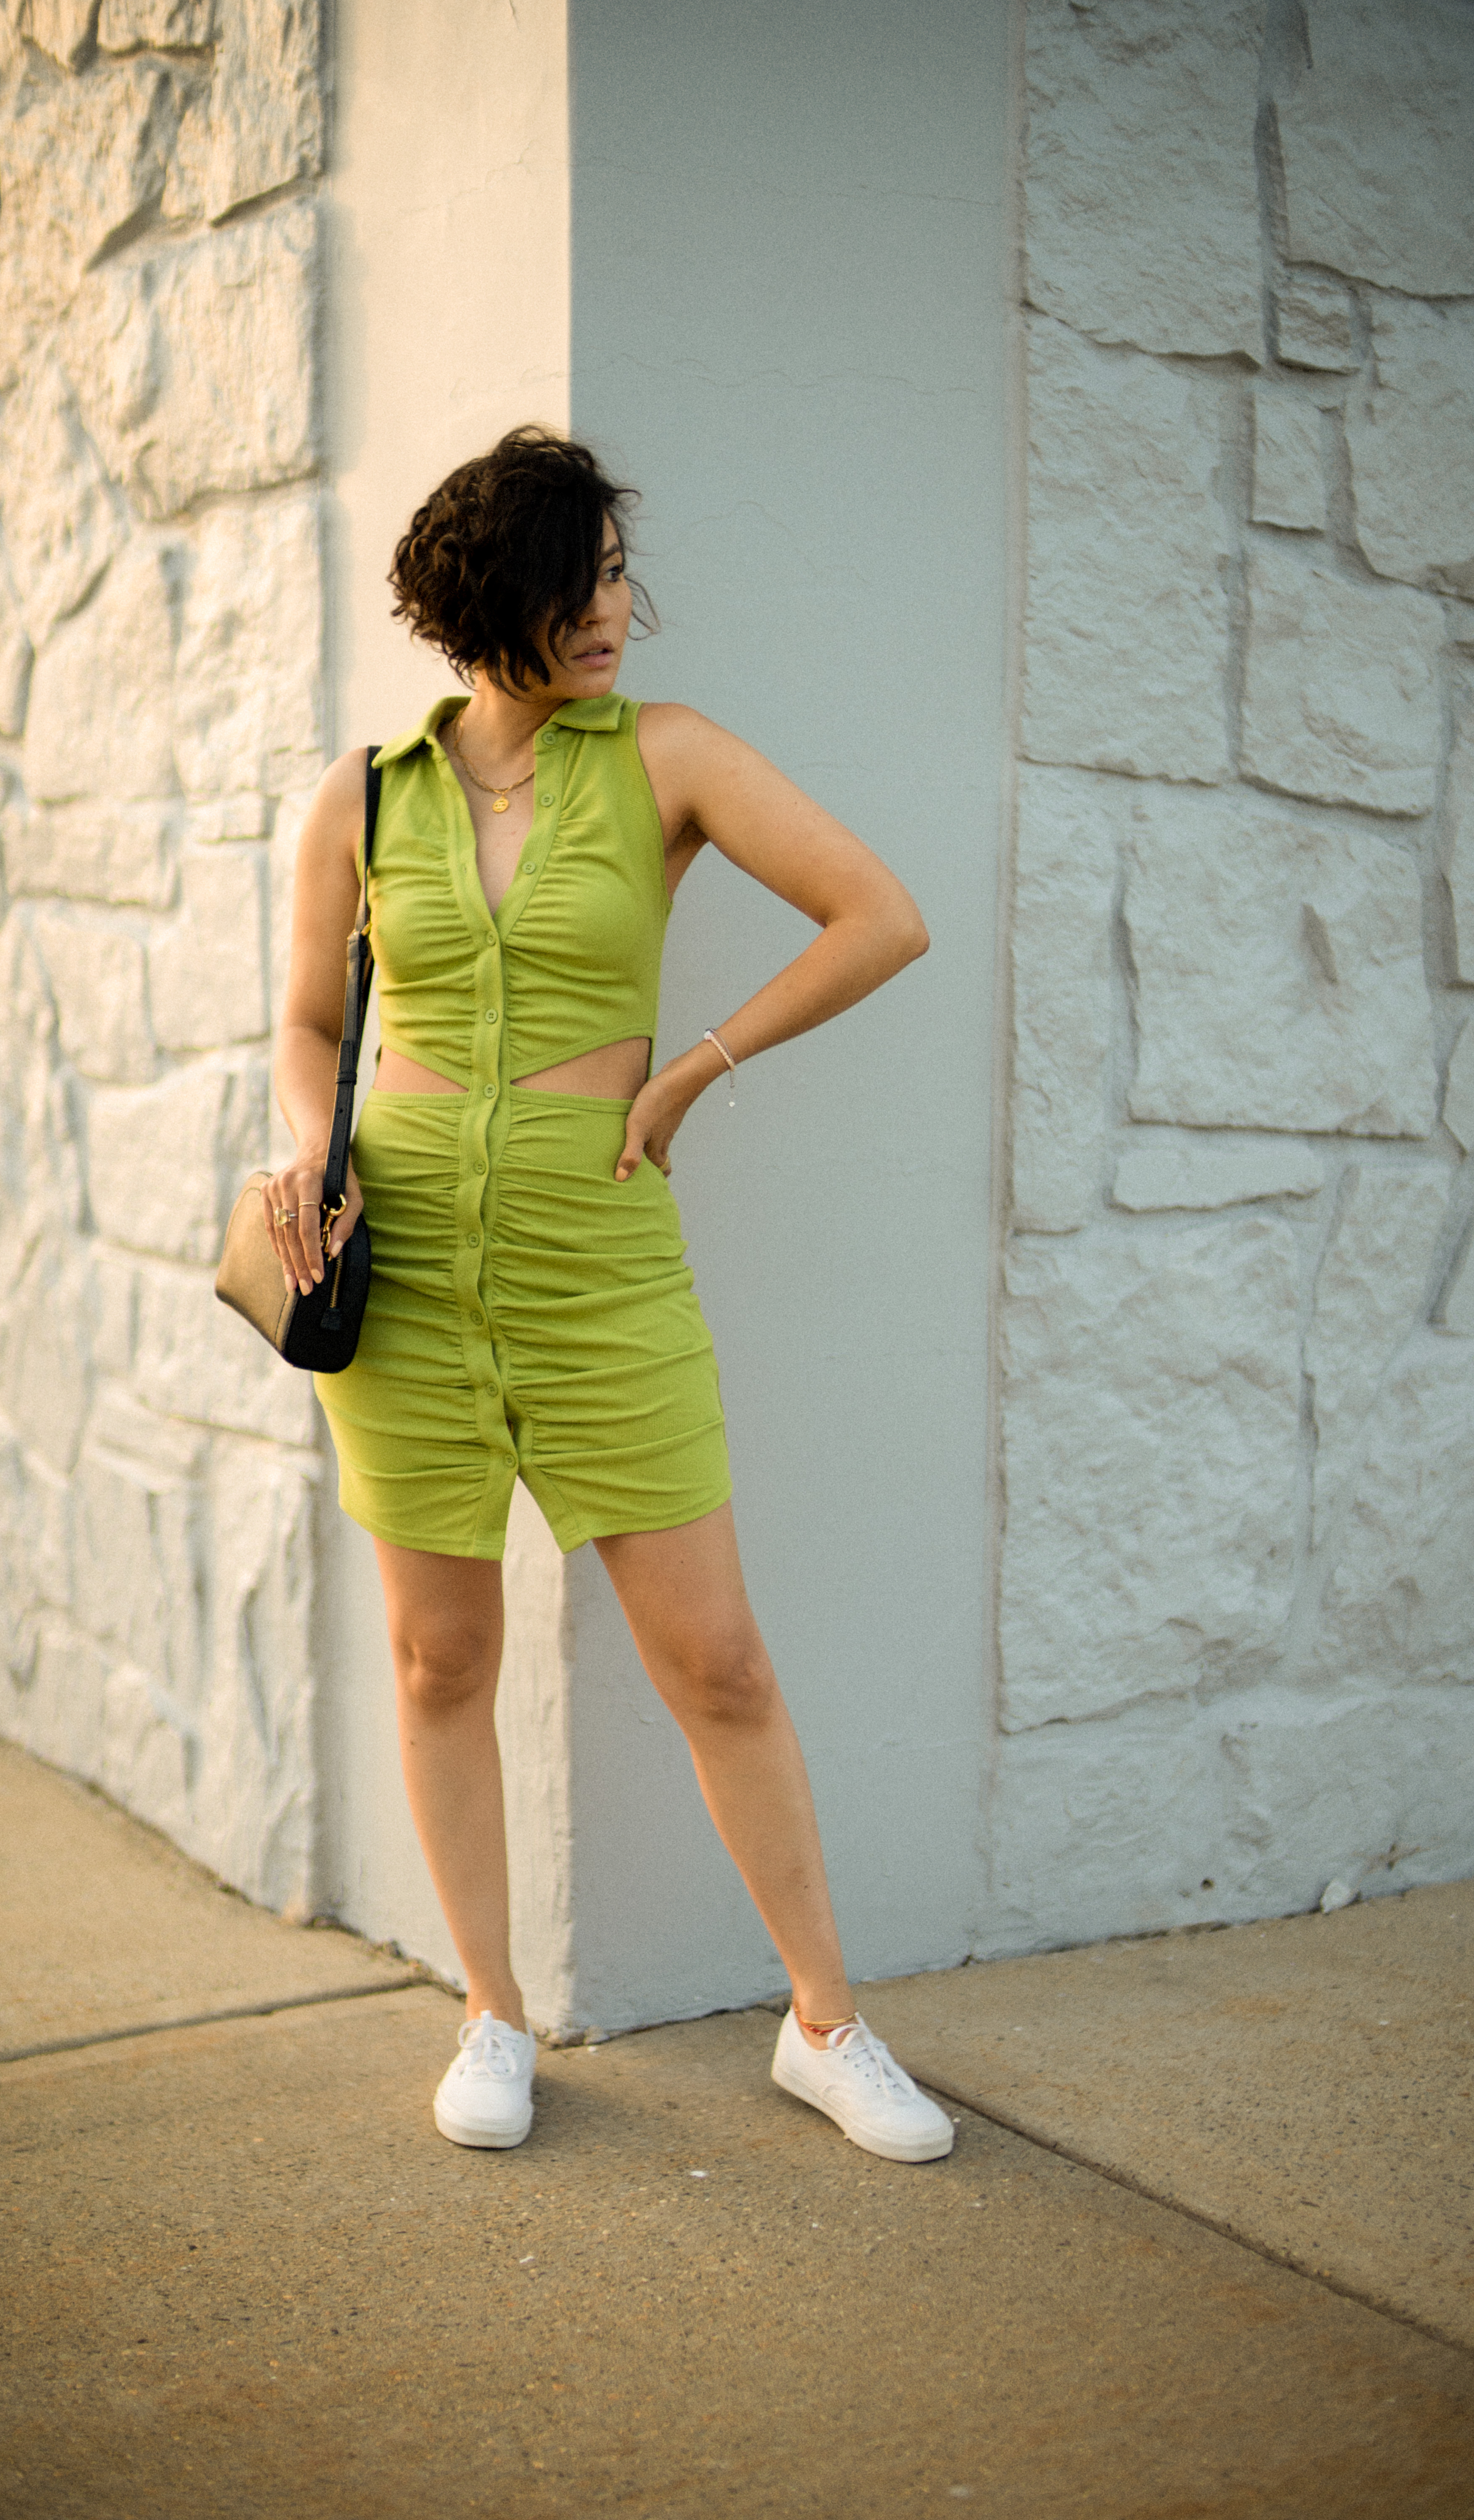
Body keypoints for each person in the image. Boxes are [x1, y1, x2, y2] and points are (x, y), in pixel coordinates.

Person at [267, 428, 951, 2166]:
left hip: (601, 1261)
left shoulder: (668, 759)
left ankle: (826, 2025)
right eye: (573, 584)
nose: (610, 614)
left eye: (619, 577)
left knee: (717, 1660)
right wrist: (306, 1148)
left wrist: (698, 1065)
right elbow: (311, 1024)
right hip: (404, 1274)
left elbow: (878, 915)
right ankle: (492, 2011)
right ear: (483, 602)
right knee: (441, 1655)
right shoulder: (366, 797)